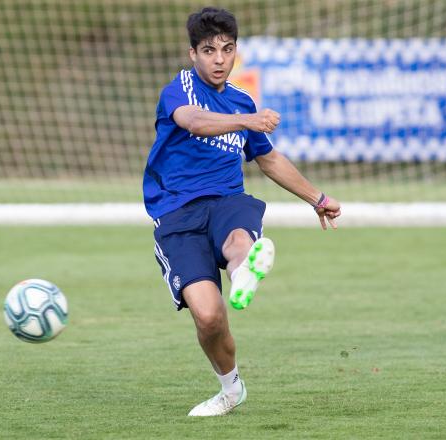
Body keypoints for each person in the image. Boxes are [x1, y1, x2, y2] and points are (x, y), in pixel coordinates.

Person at [142, 7, 341, 417]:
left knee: (237, 240)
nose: (219, 59)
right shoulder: (179, 90)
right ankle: (231, 389)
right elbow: (194, 122)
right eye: (209, 50)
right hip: (177, 214)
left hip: (227, 201)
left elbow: (268, 161)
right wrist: (246, 120)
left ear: (235, 51)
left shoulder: (240, 98)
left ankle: (245, 269)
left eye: (227, 49)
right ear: (193, 53)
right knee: (209, 317)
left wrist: (317, 199)